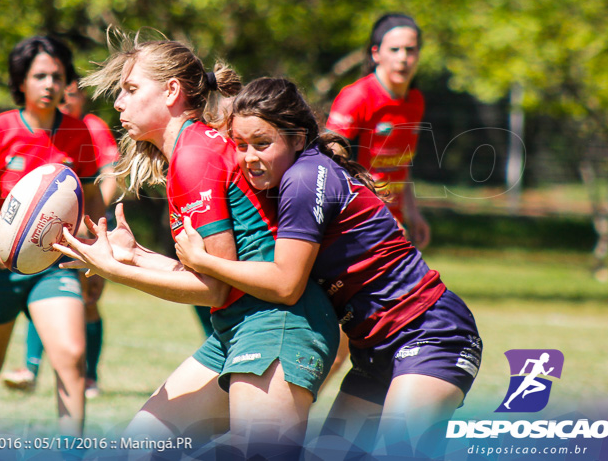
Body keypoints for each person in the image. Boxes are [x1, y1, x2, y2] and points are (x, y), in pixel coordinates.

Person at [55, 33, 338, 448]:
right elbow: (209, 269)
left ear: (172, 91)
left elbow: (213, 287)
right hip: (238, 327)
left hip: (275, 326)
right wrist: (135, 257)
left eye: (131, 90)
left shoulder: (193, 157)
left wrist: (114, 271)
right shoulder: (193, 148)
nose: (118, 103)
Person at [175, 77, 482, 457]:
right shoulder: (294, 175)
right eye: (240, 145)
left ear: (299, 138)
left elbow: (286, 284)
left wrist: (203, 262)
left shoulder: (304, 179)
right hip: (375, 348)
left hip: (429, 333)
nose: (249, 157)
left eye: (262, 143)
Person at [0, 36, 106, 440]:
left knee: (71, 358)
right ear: (21, 81)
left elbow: (91, 200)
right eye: (39, 75)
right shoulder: (1, 127)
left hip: (51, 265)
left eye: (57, 76)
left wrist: (98, 258)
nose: (50, 84)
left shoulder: (79, 132)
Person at [323, 13, 431, 390]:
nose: (404, 57)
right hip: (362, 232)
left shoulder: (413, 101)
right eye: (395, 49)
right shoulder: (358, 97)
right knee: (339, 344)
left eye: (411, 50)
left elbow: (403, 165)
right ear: (376, 54)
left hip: (395, 232)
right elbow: (329, 163)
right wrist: (379, 217)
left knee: (390, 333)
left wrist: (412, 212)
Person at [1, 80, 119, 398]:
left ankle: (90, 377)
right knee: (43, 294)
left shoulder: (91, 127)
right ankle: (31, 367)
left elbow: (107, 177)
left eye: (71, 94)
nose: (64, 100)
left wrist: (90, 218)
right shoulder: (46, 127)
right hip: (49, 230)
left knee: (87, 303)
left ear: (82, 96)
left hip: (84, 227)